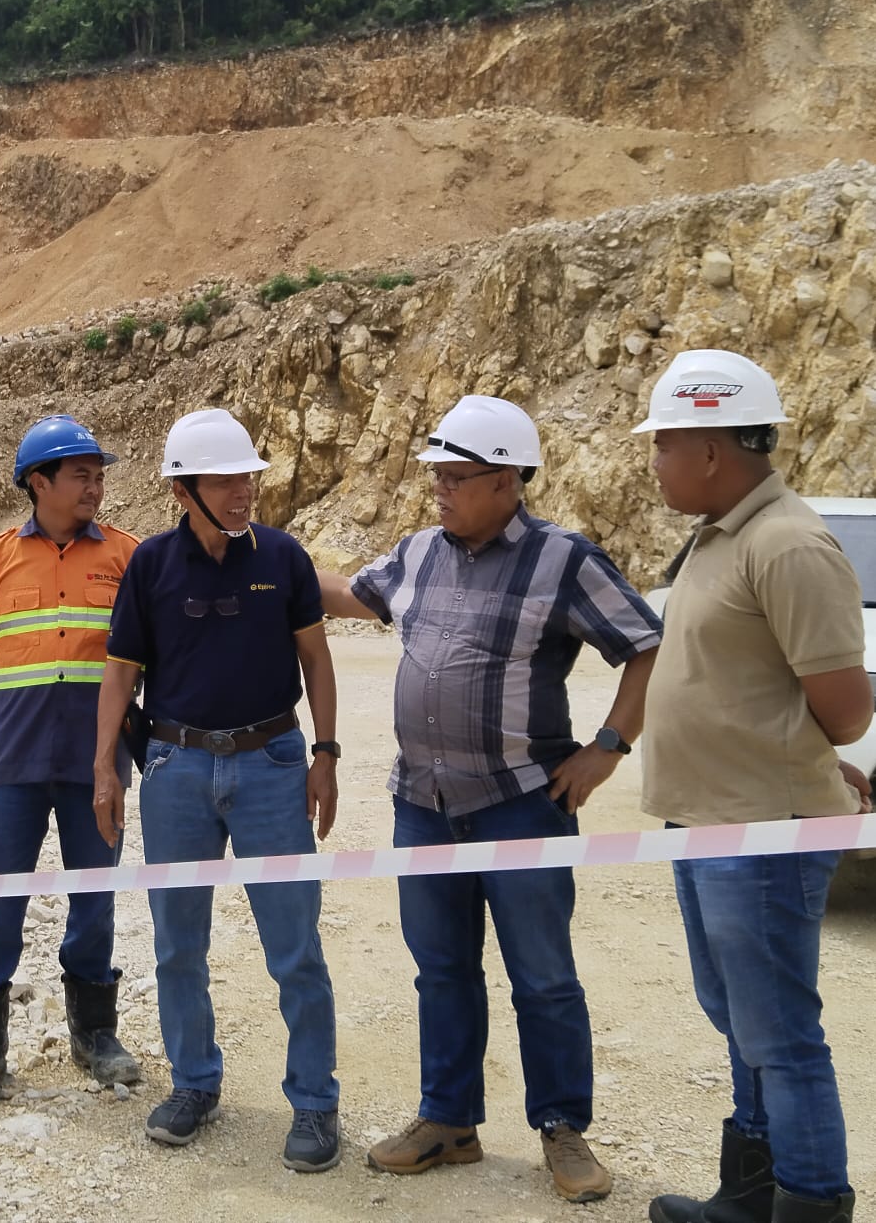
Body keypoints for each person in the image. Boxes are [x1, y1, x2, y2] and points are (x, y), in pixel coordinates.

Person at [317, 394, 661, 1205]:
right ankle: (449, 1122)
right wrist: (255, 561)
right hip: (423, 804)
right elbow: (350, 597)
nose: (438, 487)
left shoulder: (564, 560)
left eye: (455, 475)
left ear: (507, 480)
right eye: (435, 472)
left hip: (520, 805)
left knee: (542, 976)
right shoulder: (419, 554)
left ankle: (562, 1130)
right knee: (441, 969)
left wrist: (608, 748)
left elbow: (645, 645)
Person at [636, 350, 872, 1223]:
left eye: (663, 445)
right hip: (711, 822)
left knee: (779, 1035)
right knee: (742, 1020)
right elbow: (758, 687)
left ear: (708, 448)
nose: (654, 463)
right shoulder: (720, 535)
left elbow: (846, 710)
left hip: (764, 833)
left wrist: (808, 757)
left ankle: (807, 1202)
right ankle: (750, 1196)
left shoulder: (788, 543)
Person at [92, 408, 343, 1174]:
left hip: (271, 763)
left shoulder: (285, 558)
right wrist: (105, 766)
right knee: (177, 947)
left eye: (248, 477)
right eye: (227, 479)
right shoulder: (152, 566)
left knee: (295, 946)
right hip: (175, 769)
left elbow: (317, 661)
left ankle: (313, 1102)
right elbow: (122, 669)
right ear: (184, 489)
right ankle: (194, 1085)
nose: (243, 491)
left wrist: (325, 754)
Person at [0, 415, 142, 1109]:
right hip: (15, 760)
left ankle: (95, 1034)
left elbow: (141, 656)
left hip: (100, 763)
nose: (96, 485)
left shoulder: (127, 555)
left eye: (99, 474)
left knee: (94, 899)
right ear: (40, 482)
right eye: (81, 474)